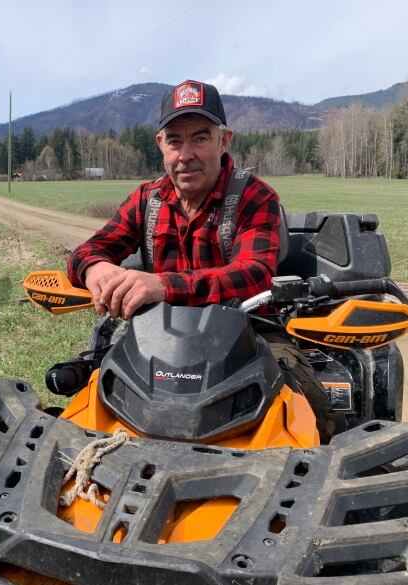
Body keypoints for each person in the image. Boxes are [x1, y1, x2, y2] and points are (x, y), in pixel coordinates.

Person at [67, 79, 344, 442]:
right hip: (155, 336)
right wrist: (95, 267)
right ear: (160, 145)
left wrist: (164, 286)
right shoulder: (146, 201)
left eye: (200, 137)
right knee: (92, 402)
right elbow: (86, 252)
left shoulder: (254, 197)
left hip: (250, 332)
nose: (186, 154)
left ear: (223, 140)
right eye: (175, 140)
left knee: (307, 409)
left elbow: (254, 274)